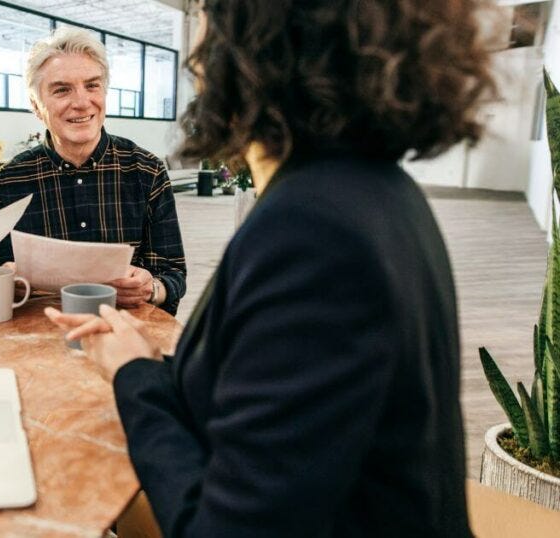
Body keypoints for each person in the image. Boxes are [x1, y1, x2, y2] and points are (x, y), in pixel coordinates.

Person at [47, 0, 497, 535]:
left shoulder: (314, 232)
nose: (195, 53)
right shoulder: (373, 190)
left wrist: (132, 375)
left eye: (207, 20)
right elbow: (263, 400)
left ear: (253, 46)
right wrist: (148, 362)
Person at [0, 27, 187, 315]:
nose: (81, 102)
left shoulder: (146, 170)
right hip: (42, 339)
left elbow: (173, 274)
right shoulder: (11, 180)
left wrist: (152, 288)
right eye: (62, 89)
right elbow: (2, 275)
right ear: (35, 105)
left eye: (92, 85)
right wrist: (8, 280)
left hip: (128, 337)